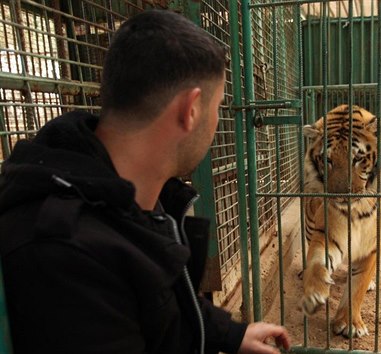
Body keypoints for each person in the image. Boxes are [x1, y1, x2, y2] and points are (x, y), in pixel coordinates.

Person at [0, 9, 290, 354]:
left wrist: (227, 333)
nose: (216, 120)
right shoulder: (66, 252)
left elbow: (156, 302)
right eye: (220, 106)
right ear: (192, 109)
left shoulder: (132, 190)